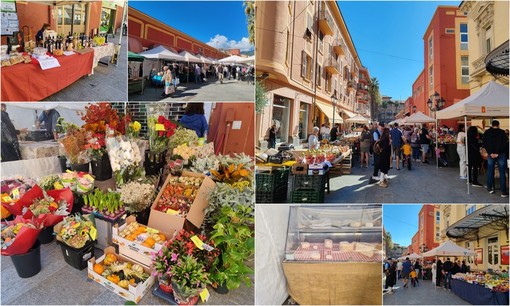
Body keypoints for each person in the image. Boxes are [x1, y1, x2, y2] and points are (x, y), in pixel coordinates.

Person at [483, 120, 508, 197]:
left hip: (491, 154)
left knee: (490, 171)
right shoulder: (502, 132)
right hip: (501, 154)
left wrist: (490, 153)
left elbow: (485, 143)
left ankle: (490, 188)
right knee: (502, 172)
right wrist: (497, 153)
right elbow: (504, 144)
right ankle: (503, 192)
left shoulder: (487, 132)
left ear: (492, 125)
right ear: (498, 125)